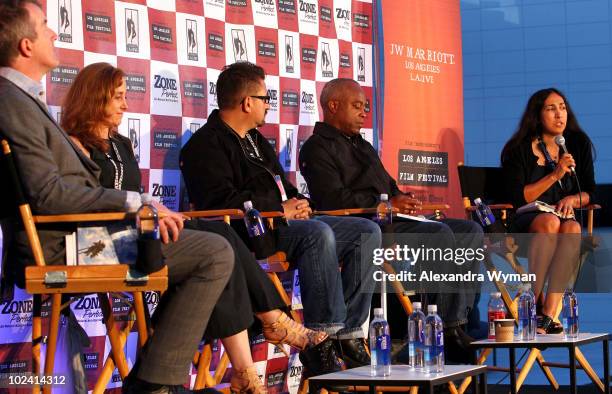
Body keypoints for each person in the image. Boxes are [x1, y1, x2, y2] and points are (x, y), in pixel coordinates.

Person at [0, 2, 232, 393]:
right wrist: (134, 203)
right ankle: (156, 382)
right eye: (45, 26)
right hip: (67, 246)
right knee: (213, 252)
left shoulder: (23, 99)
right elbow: (49, 195)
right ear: (25, 45)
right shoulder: (11, 101)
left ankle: (157, 376)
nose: (55, 33)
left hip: (79, 236)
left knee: (212, 244)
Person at [61, 62, 328, 393]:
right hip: (99, 244)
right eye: (117, 97)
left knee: (218, 242)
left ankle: (249, 371)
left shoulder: (121, 145)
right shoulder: (70, 144)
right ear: (95, 98)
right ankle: (271, 322)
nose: (126, 105)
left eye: (126, 96)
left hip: (137, 239)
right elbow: (83, 201)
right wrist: (140, 208)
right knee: (218, 243)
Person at [180, 62, 382, 378]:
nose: (269, 104)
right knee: (317, 234)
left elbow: (281, 186)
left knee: (366, 231)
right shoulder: (205, 145)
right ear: (247, 102)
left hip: (280, 223)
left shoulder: (256, 140)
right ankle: (321, 342)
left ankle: (349, 333)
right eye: (265, 98)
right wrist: (279, 208)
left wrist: (298, 204)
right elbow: (217, 204)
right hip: (245, 233)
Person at [298, 78, 484, 363]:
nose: (364, 113)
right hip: (363, 226)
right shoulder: (316, 148)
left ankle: (458, 321)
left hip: (394, 220)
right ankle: (444, 329)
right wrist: (384, 204)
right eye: (357, 106)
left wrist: (403, 198)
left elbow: (389, 186)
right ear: (333, 106)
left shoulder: (363, 146)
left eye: (366, 106)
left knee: (469, 230)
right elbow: (331, 200)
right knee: (440, 235)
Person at [500, 88, 595, 334]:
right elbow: (518, 198)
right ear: (537, 115)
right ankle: (534, 300)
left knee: (572, 227)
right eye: (551, 108)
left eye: (562, 107)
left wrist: (574, 200)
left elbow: (590, 192)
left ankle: (548, 312)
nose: (559, 114)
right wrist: (556, 174)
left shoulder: (577, 143)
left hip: (563, 221)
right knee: (549, 222)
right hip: (525, 223)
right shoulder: (518, 149)